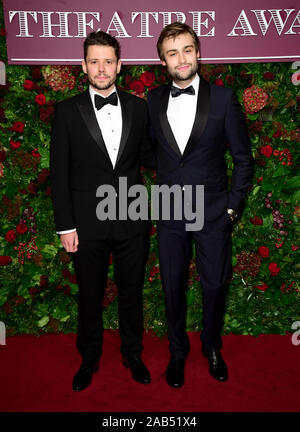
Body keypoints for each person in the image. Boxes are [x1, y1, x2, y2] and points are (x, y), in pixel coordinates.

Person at [147, 22, 253, 387]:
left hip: (212, 214)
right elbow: (148, 153)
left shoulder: (223, 99)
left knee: (214, 285)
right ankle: (177, 352)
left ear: (198, 53)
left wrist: (231, 209)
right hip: (169, 212)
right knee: (172, 286)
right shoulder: (151, 100)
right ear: (163, 61)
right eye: (172, 52)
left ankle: (211, 347)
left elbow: (243, 158)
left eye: (187, 49)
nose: (181, 58)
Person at [50, 31, 155, 391]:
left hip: (132, 219)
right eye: (94, 61)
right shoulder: (66, 111)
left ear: (119, 66)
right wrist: (65, 226)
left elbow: (148, 157)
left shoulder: (140, 108)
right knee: (90, 295)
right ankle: (89, 357)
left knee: (132, 292)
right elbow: (59, 173)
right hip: (86, 223)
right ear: (83, 66)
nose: (101, 68)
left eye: (108, 61)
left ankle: (133, 354)